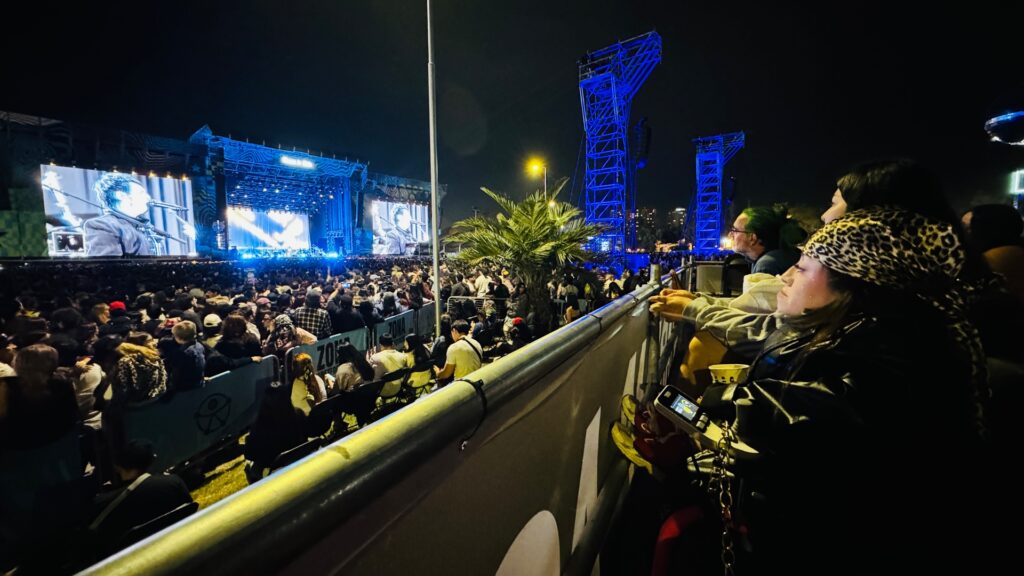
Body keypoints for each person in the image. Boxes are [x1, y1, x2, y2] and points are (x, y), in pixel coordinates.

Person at [660, 208, 990, 574]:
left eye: (801, 268)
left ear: (850, 284)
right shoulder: (845, 334)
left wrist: (733, 400)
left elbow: (831, 417)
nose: (784, 276)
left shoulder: (888, 352)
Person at [83, 173, 156, 257]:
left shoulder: (141, 227)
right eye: (141, 193)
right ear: (121, 196)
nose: (148, 197)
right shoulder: (102, 225)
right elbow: (107, 267)